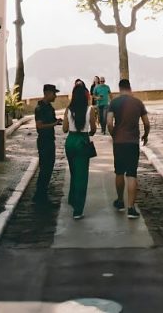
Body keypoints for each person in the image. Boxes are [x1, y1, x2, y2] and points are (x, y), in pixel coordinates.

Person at [107, 78, 150, 219]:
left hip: (119, 142)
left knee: (119, 172)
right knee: (132, 174)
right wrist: (145, 135)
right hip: (132, 142)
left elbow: (109, 123)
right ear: (130, 87)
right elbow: (146, 123)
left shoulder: (114, 103)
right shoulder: (138, 103)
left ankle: (120, 201)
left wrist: (114, 134)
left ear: (119, 88)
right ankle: (131, 208)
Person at [62, 81, 97, 219]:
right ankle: (78, 209)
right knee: (81, 176)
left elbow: (64, 129)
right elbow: (93, 129)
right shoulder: (90, 110)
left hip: (70, 141)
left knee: (73, 172)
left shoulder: (68, 110)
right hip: (82, 141)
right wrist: (89, 133)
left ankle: (72, 198)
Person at [33, 83, 62, 206]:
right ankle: (40, 195)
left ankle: (42, 194)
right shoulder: (40, 108)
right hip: (44, 141)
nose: (55, 96)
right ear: (48, 93)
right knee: (44, 168)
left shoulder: (50, 108)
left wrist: (57, 122)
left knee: (49, 168)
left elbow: (52, 121)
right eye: (54, 93)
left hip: (50, 140)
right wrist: (54, 124)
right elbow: (39, 126)